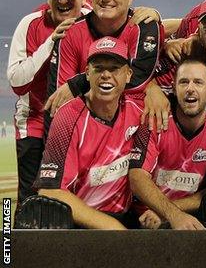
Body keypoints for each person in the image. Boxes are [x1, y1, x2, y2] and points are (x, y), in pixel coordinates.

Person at [45, 0, 169, 132]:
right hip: (84, 131)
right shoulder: (70, 33)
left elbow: (140, 78)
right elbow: (61, 98)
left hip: (132, 130)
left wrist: (77, 84)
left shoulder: (146, 26)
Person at [33, 36, 140, 229]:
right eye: (98, 68)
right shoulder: (68, 116)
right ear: (87, 73)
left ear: (129, 74)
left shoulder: (140, 111)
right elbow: (50, 191)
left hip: (127, 217)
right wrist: (113, 227)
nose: (106, 75)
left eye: (114, 69)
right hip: (80, 223)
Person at [7, 0, 88, 204]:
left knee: (74, 198)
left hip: (77, 124)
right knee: (29, 201)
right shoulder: (30, 24)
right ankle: (12, 242)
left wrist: (151, 14)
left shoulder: (92, 21)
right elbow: (17, 83)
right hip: (34, 121)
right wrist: (50, 43)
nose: (62, 0)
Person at [129, 59, 206, 230]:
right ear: (173, 87)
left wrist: (172, 213)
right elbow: (137, 178)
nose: (190, 89)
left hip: (189, 218)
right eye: (184, 82)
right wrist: (171, 214)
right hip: (144, 221)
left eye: (198, 82)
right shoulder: (154, 121)